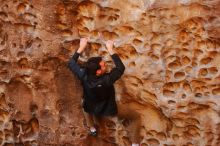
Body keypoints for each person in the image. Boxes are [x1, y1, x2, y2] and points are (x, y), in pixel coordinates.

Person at [68, 38, 141, 146]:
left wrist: (81, 47)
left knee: (84, 104)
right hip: (108, 109)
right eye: (103, 65)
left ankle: (92, 128)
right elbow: (120, 68)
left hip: (91, 106)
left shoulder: (83, 74)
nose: (105, 65)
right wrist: (110, 49)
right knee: (136, 117)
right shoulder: (107, 79)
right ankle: (135, 143)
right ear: (98, 71)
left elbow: (71, 63)